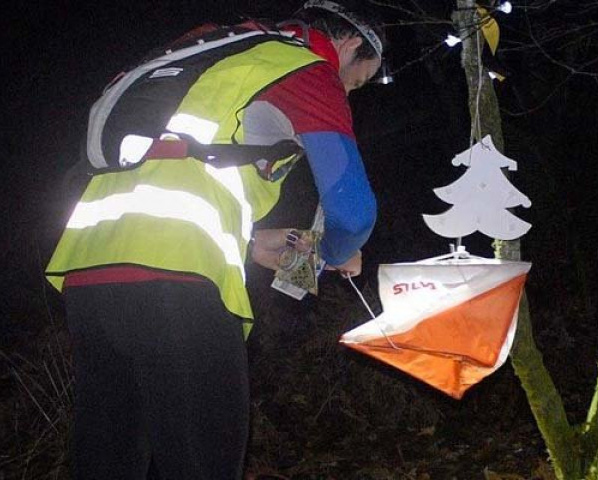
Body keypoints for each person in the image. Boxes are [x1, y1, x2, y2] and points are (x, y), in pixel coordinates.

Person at [44, 1, 384, 478]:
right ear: (349, 45)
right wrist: (332, 253)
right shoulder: (304, 67)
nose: (350, 90)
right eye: (359, 79)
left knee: (107, 458)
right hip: (178, 283)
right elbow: (352, 209)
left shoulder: (210, 51)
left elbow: (180, 166)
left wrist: (247, 244)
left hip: (91, 278)